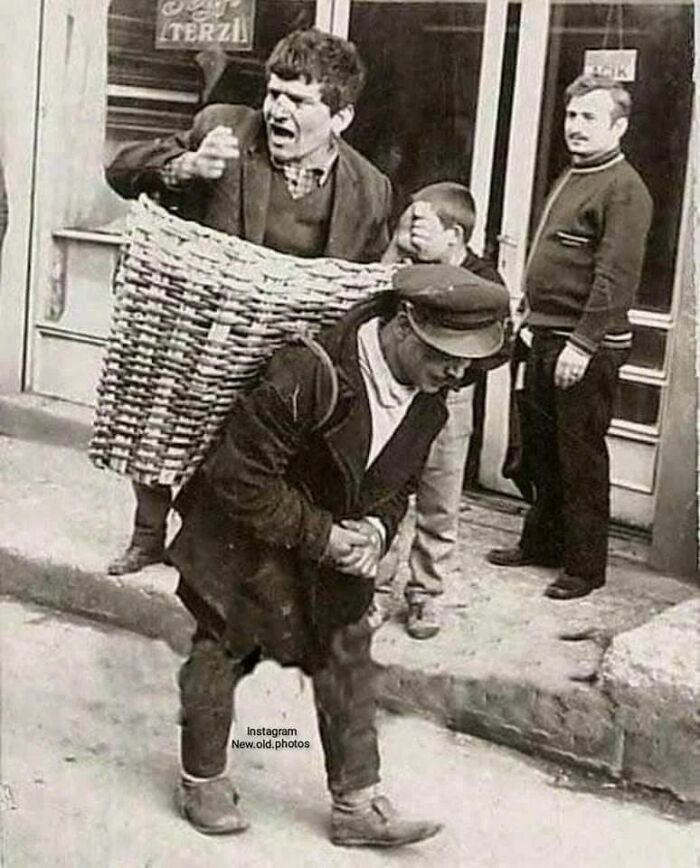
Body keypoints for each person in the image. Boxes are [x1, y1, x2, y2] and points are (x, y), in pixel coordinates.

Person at [168, 264, 509, 848]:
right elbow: (238, 476)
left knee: (347, 653)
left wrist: (377, 530)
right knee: (222, 645)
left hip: (332, 543)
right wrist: (324, 537)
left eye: (467, 360)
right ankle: (202, 777)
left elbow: (396, 486)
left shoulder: (430, 400)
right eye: (444, 353)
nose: (458, 371)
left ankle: (356, 804)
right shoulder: (312, 371)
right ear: (405, 324)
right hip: (242, 531)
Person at [104, 28, 393, 576]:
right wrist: (182, 167)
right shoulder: (223, 127)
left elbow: (366, 284)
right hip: (208, 329)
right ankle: (148, 534)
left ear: (341, 118)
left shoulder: (371, 188)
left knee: (250, 453)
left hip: (291, 347)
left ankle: (217, 545)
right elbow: (120, 169)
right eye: (273, 92)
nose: (277, 109)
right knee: (164, 422)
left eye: (299, 101)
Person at [487, 74, 653, 600]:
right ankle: (540, 544)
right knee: (542, 451)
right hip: (546, 335)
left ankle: (585, 568)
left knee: (579, 455)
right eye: (571, 116)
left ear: (619, 127)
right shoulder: (576, 173)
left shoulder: (624, 189)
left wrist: (582, 345)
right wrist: (528, 314)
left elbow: (615, 279)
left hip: (585, 346)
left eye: (589, 118)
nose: (575, 127)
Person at [379, 183, 506, 638]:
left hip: (450, 399)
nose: (411, 232)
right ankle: (373, 590)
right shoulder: (410, 269)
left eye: (421, 224)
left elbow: (498, 345)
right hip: (402, 392)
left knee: (439, 500)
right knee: (384, 486)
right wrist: (396, 249)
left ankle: (425, 596)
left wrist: (453, 374)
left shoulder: (484, 281)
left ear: (454, 234)